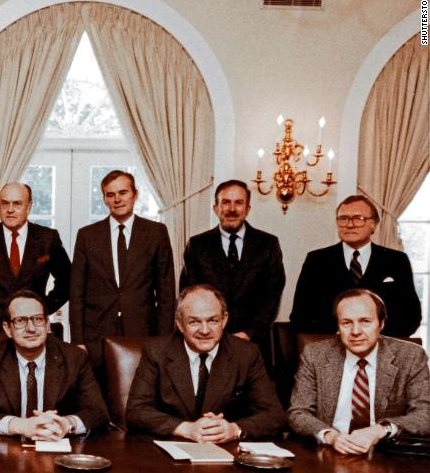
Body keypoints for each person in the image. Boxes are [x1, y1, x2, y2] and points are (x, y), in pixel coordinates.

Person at [126, 284, 285, 441]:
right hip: (172, 452)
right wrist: (185, 428)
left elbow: (274, 415)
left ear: (224, 320)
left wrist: (234, 429)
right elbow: (136, 411)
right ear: (180, 324)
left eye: (213, 321)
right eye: (194, 322)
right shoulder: (157, 352)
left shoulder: (246, 354)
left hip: (227, 453)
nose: (204, 330)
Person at [288, 289, 428, 453]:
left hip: (385, 453)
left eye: (365, 321)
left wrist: (381, 429)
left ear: (381, 323)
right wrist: (330, 436)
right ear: (338, 326)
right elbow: (298, 413)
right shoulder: (315, 355)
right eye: (346, 323)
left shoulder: (410, 356)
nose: (355, 332)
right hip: (331, 451)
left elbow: (425, 415)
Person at [0, 290, 108, 439]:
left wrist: (67, 424)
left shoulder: (75, 358)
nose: (31, 328)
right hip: (5, 451)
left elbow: (98, 412)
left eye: (37, 319)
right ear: (7, 329)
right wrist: (20, 425)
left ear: (47, 324)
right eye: (20, 321)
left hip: (56, 448)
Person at [70, 170, 175, 377]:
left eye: (123, 192)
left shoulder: (156, 233)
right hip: (97, 336)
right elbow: (76, 292)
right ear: (104, 199)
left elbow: (166, 293)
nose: (117, 199)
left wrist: (164, 341)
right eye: (110, 195)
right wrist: (78, 342)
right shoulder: (87, 236)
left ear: (135, 195)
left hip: (143, 333)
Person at [291, 194, 421, 337]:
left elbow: (411, 317)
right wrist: (344, 334)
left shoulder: (396, 261)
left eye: (358, 219)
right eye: (343, 218)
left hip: (382, 348)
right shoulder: (317, 260)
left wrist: (371, 336)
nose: (349, 224)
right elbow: (300, 316)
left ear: (374, 224)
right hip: (332, 348)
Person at [180, 179, 285, 346]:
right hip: (208, 339)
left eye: (238, 203)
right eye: (226, 202)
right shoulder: (197, 245)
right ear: (216, 208)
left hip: (254, 342)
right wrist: (212, 332)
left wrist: (248, 334)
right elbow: (189, 294)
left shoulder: (268, 244)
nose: (232, 209)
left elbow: (272, 295)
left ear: (247, 209)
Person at [0, 182, 70, 332]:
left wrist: (42, 309)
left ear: (29, 206)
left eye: (17, 204)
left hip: (31, 329)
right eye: (4, 203)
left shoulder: (47, 238)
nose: (10, 210)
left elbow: (68, 282)